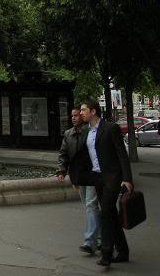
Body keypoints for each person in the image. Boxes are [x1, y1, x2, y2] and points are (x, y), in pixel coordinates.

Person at [80, 99, 133, 268]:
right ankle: (123, 251)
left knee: (105, 213)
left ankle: (106, 253)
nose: (81, 113)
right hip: (97, 178)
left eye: (83, 110)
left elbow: (122, 155)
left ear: (93, 112)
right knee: (111, 214)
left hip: (112, 177)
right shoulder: (86, 131)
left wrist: (127, 179)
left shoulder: (110, 128)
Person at [57, 108, 101, 255]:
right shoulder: (68, 134)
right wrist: (62, 171)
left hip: (92, 174)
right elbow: (63, 154)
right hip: (78, 176)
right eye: (72, 116)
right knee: (89, 207)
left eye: (77, 115)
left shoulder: (90, 132)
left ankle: (90, 241)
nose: (74, 118)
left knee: (90, 206)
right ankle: (102, 238)